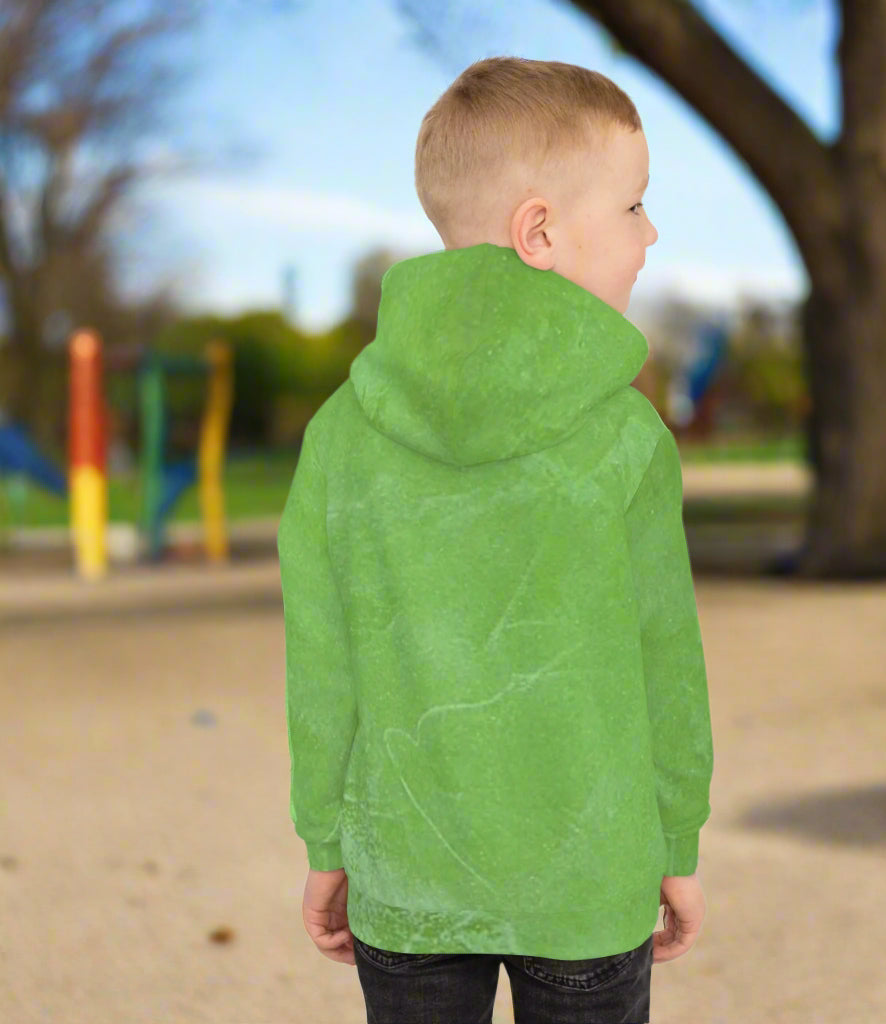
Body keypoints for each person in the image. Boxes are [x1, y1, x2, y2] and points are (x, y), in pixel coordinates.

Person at [277, 55, 714, 1024]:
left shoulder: (342, 434)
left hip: (409, 873)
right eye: (635, 206)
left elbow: (323, 662)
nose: (651, 234)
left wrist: (327, 843)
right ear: (540, 231)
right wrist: (673, 843)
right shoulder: (626, 435)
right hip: (588, 876)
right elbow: (665, 661)